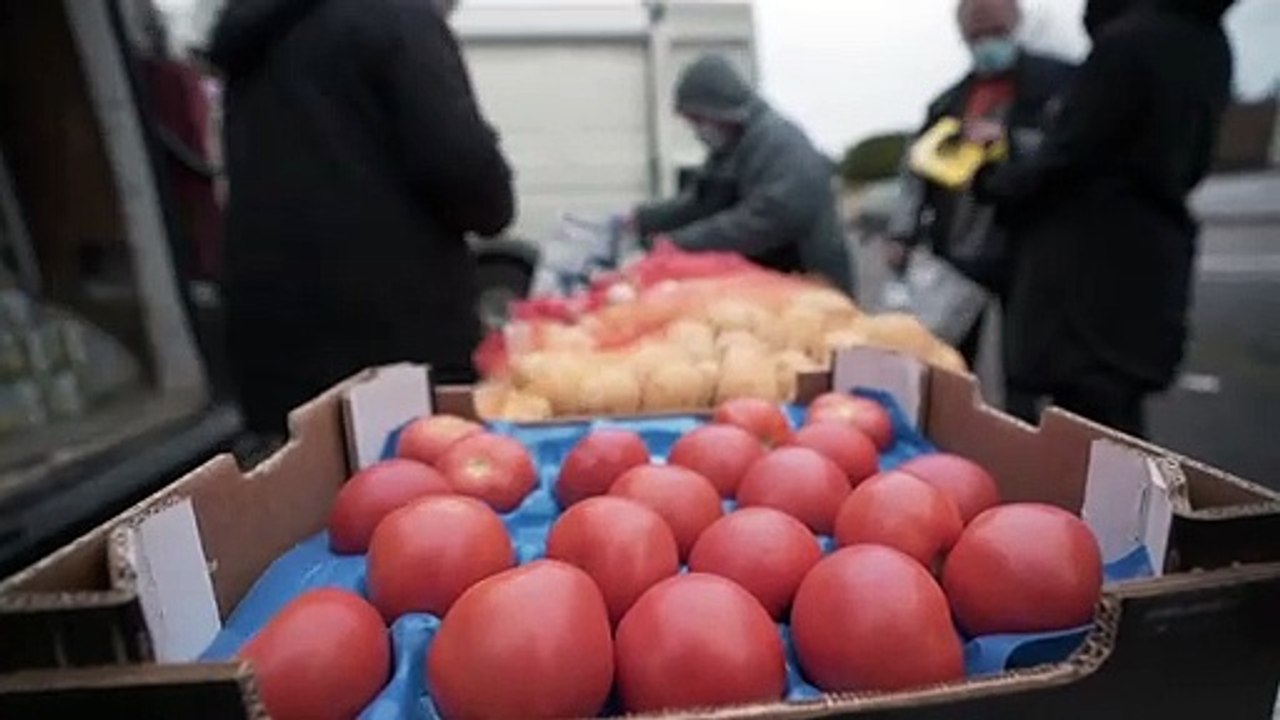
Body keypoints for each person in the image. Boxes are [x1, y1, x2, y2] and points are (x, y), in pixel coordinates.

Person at [208, 0, 513, 436]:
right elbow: (468, 176)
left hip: (273, 344)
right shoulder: (397, 18)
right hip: (392, 343)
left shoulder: (254, 36)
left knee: (302, 492)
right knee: (418, 489)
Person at [975, 0, 1236, 437]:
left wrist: (993, 180)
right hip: (1151, 256)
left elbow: (1067, 154)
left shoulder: (1127, 45)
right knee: (1118, 419)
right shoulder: (1210, 44)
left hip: (1088, 278)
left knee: (1088, 425)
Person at [888, 0, 1075, 366]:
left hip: (1028, 250)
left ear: (1015, 25)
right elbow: (915, 171)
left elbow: (1072, 149)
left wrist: (1009, 141)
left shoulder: (1058, 84)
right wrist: (901, 232)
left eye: (996, 33)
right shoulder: (947, 103)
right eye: (977, 35)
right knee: (947, 360)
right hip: (959, 252)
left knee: (1026, 365)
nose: (987, 43)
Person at [633, 55, 855, 294]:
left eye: (698, 119)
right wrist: (643, 218)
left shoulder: (779, 142)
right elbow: (703, 201)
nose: (697, 131)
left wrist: (678, 244)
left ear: (719, 109)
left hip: (809, 283)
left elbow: (769, 218)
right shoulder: (731, 147)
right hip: (771, 285)